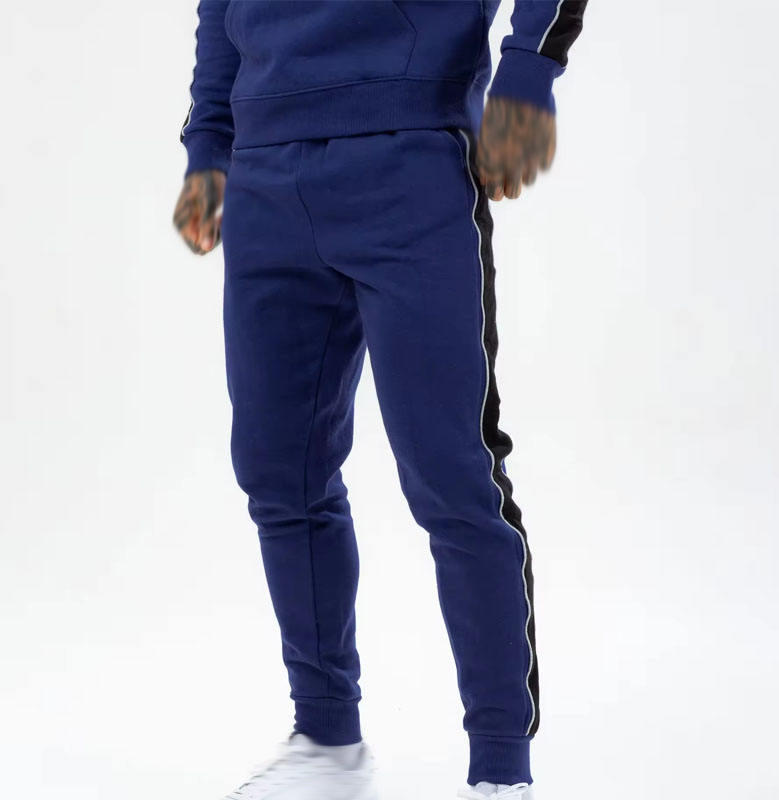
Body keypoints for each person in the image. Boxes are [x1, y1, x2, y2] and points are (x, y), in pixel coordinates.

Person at [172, 2, 586, 798]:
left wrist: (528, 69)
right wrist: (209, 140)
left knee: (451, 472)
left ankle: (501, 770)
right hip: (263, 172)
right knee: (278, 472)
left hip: (412, 153)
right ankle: (328, 742)